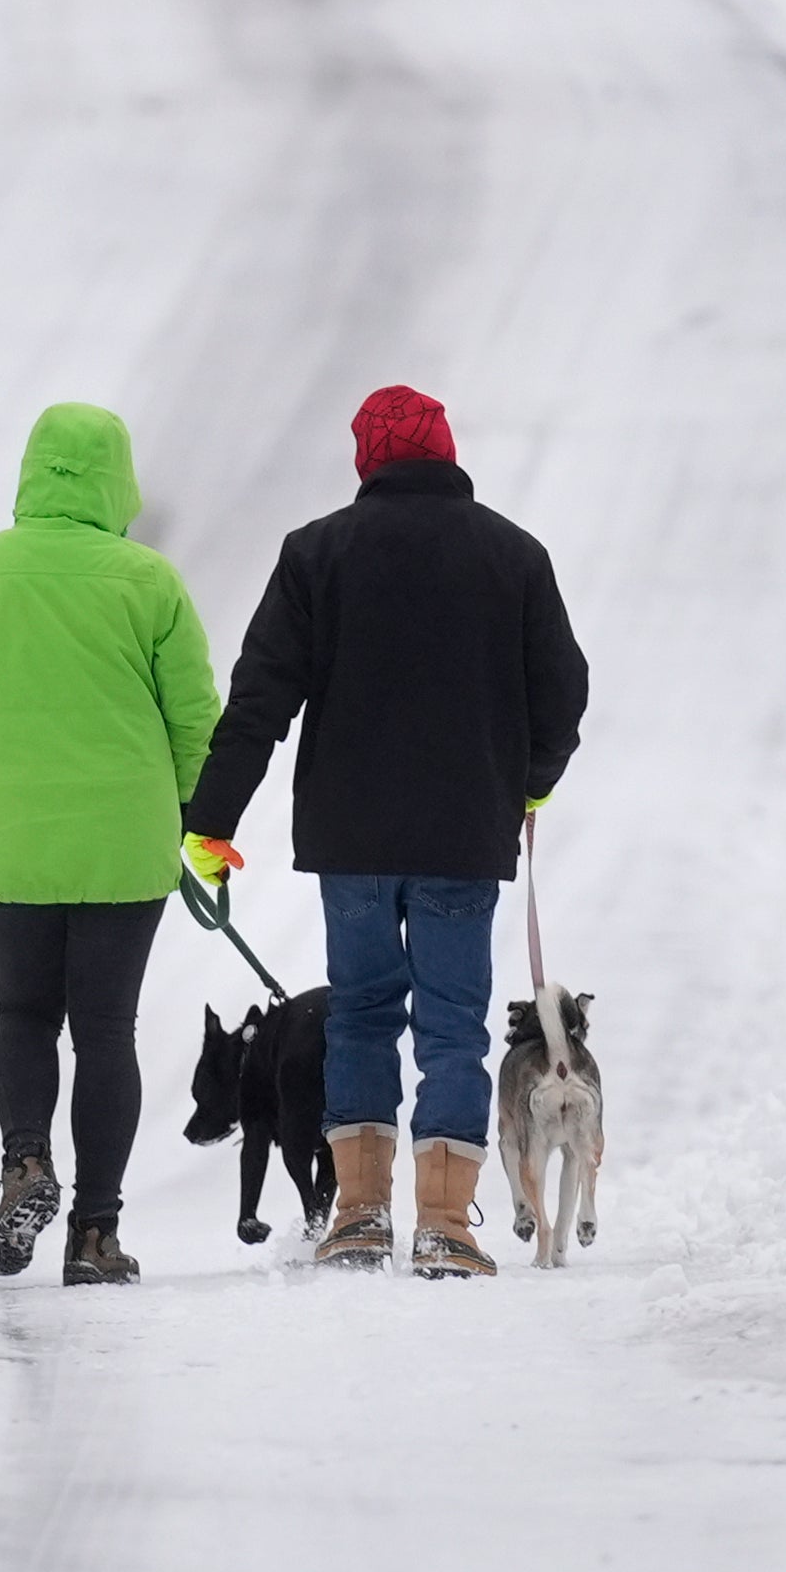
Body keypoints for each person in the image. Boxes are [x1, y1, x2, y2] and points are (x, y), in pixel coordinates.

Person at [177, 385, 589, 1280]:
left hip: (351, 837)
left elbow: (259, 698)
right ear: (445, 454)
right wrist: (530, 785)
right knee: (451, 1027)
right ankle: (445, 1222)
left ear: (367, 461)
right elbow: (564, 691)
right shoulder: (512, 556)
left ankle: (358, 1215)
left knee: (359, 1016)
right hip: (460, 833)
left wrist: (210, 819)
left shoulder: (315, 553)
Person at [0, 403, 220, 1286]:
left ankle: (25, 1162)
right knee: (106, 1030)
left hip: (12, 836)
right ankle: (94, 1236)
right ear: (119, 478)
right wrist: (203, 827)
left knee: (24, 1014)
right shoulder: (146, 580)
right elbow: (195, 717)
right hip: (125, 837)